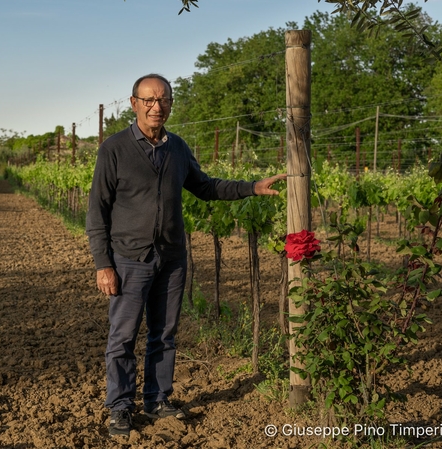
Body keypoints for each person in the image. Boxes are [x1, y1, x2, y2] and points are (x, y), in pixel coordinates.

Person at [85, 73, 286, 437]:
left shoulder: (177, 147)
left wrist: (252, 187)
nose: (156, 107)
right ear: (134, 104)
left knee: (165, 334)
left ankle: (157, 399)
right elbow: (97, 211)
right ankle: (119, 407)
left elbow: (205, 186)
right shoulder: (113, 149)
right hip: (129, 258)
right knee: (123, 336)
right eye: (148, 100)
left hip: (172, 258)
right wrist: (103, 264)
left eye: (163, 100)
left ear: (171, 104)